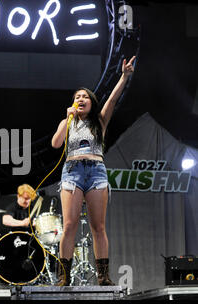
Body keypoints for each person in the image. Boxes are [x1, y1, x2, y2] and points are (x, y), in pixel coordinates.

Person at [51, 56, 136, 286]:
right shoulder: (67, 122)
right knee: (69, 225)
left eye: (85, 96)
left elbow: (113, 99)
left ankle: (103, 275)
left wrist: (125, 76)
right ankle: (64, 275)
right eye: (77, 97)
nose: (80, 99)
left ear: (91, 101)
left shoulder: (99, 121)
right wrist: (67, 118)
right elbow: (56, 144)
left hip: (96, 171)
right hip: (72, 171)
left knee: (98, 226)